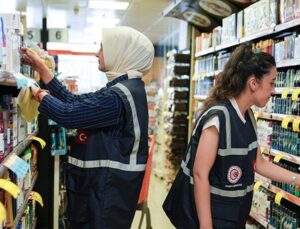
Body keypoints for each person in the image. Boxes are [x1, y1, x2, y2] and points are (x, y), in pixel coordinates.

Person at [21, 26, 154, 229]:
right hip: (103, 190)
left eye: (102, 47)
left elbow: (69, 115)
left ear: (121, 51)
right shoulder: (123, 89)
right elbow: (73, 101)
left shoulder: (119, 97)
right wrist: (43, 70)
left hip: (105, 194)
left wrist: (40, 95)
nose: (96, 53)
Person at [164, 44, 300, 229]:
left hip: (234, 218)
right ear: (253, 83)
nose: (274, 90)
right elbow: (200, 174)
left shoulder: (248, 116)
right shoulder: (218, 119)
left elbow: (259, 164)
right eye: (272, 83)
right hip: (213, 219)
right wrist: (206, 226)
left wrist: (296, 179)